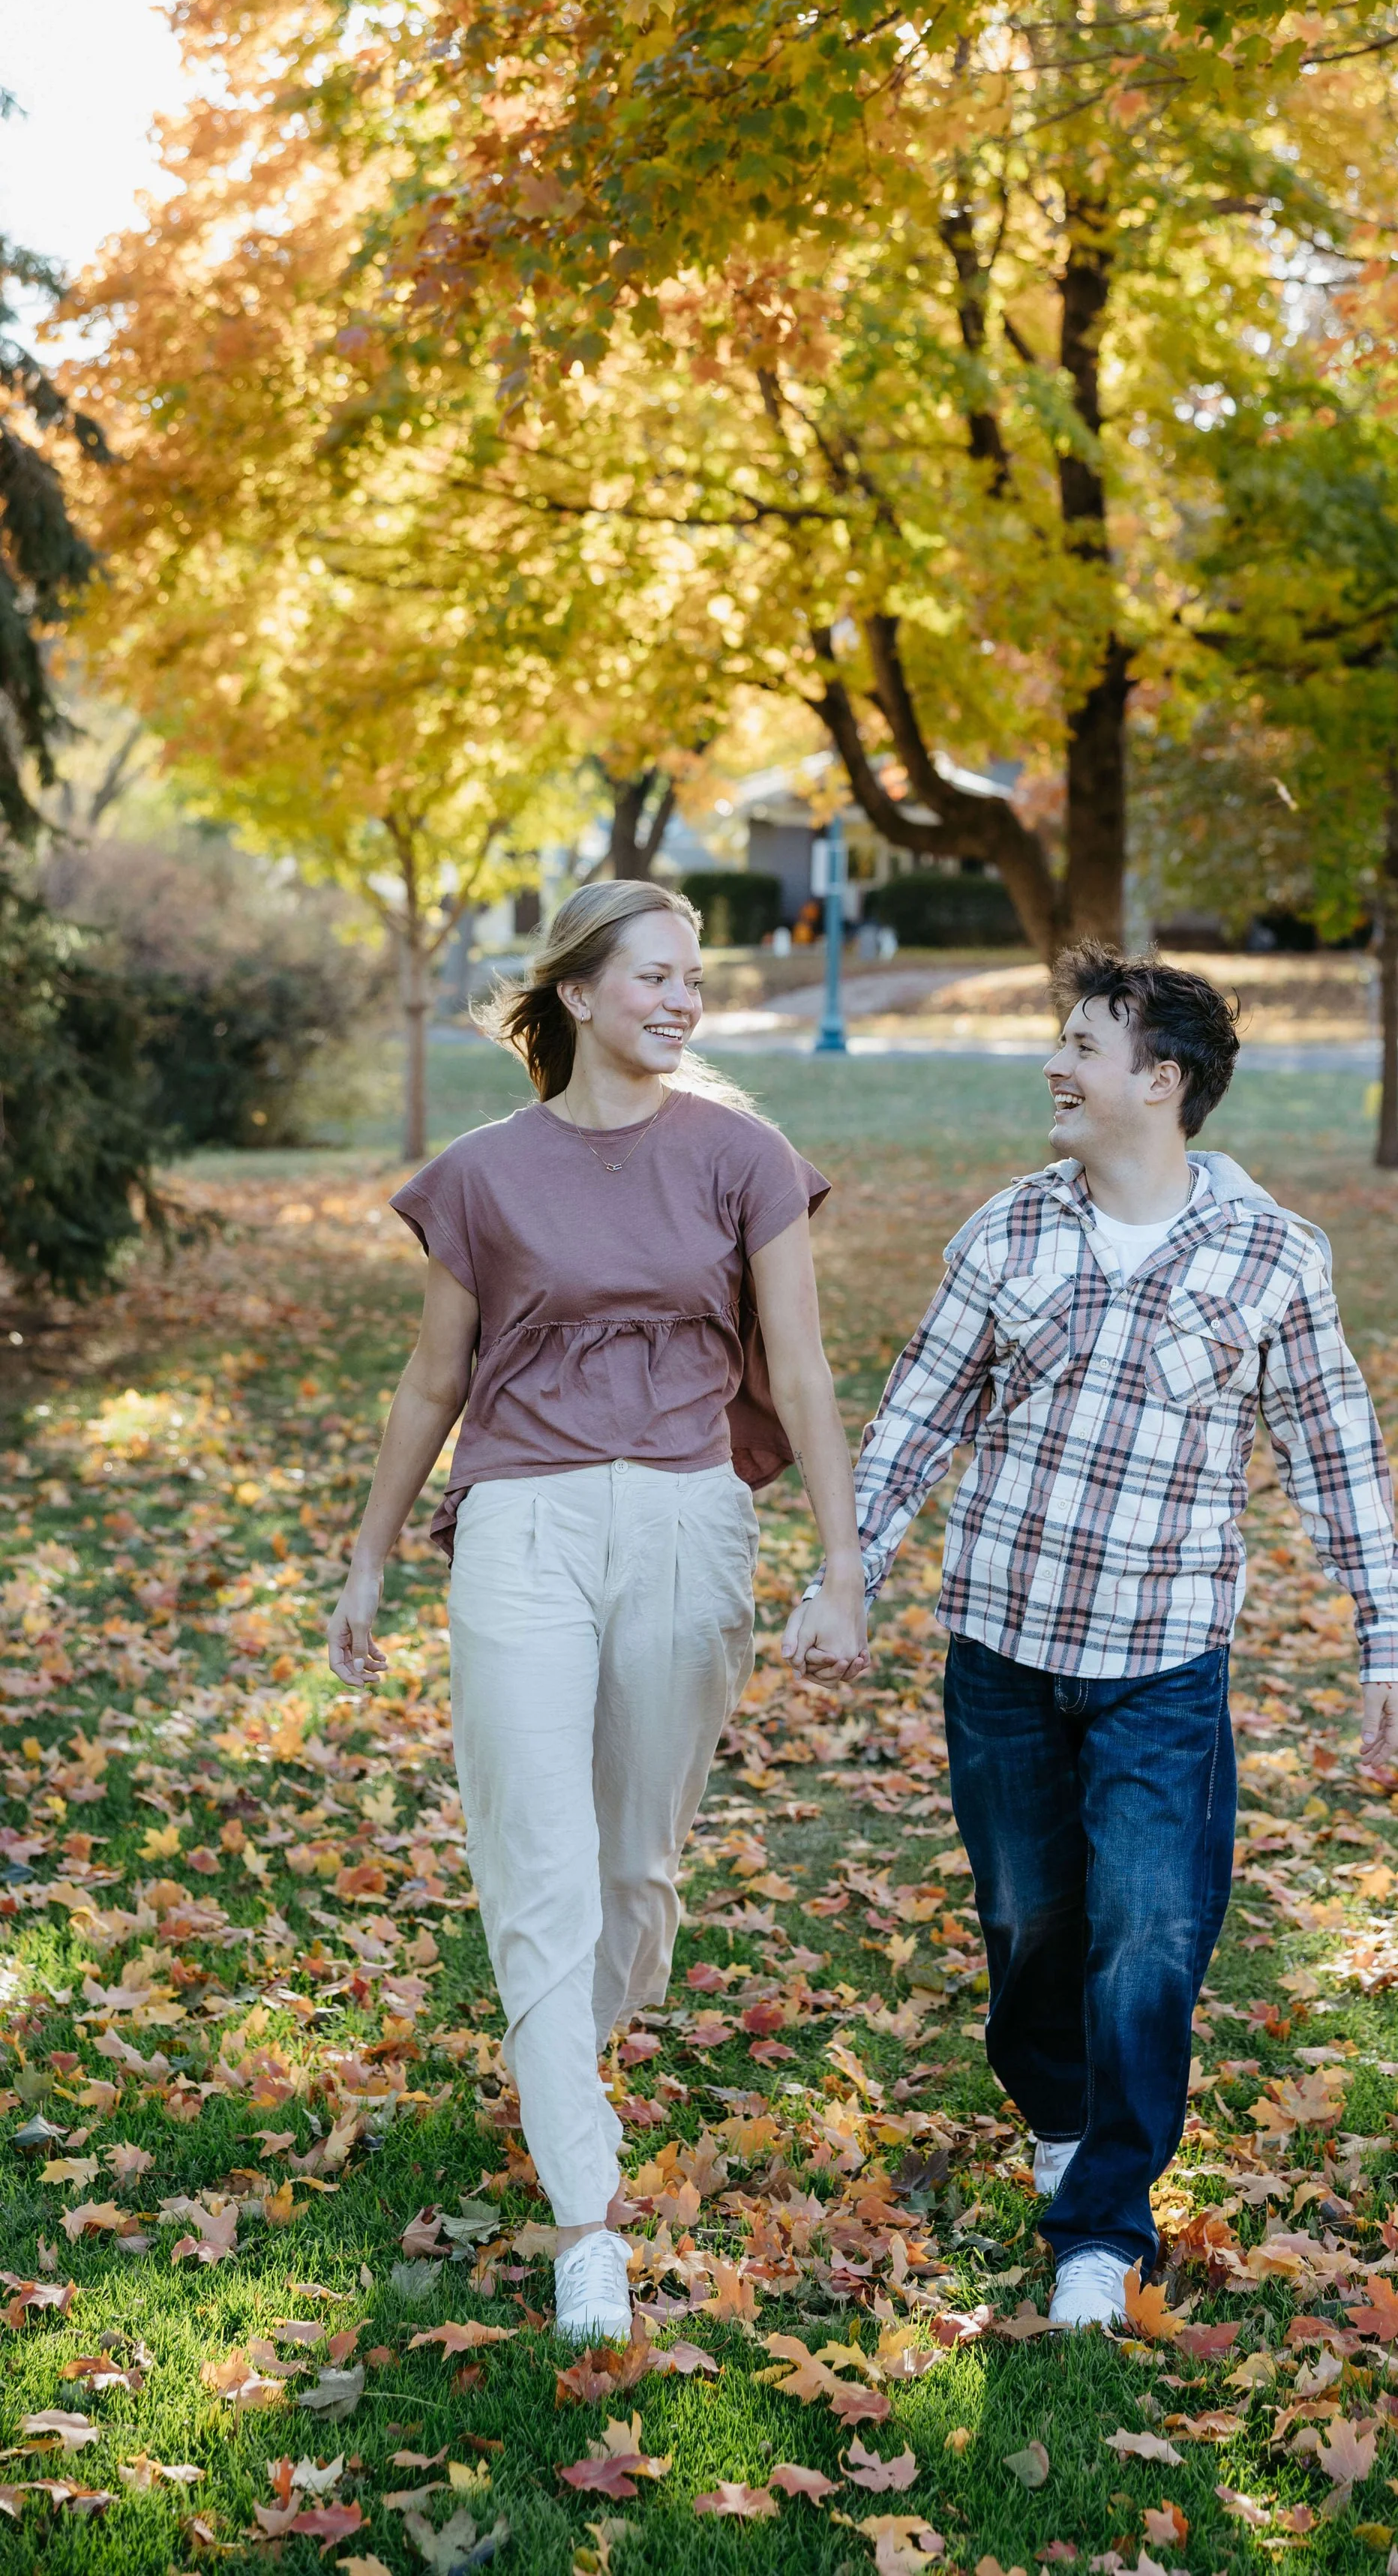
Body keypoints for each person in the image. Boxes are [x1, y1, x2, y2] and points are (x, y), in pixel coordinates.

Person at [788, 943, 1398, 2329]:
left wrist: (1387, 1638)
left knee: (1148, 1929)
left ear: (1163, 1079)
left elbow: (1337, 1455)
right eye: (1060, 1040)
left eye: (1084, 1044)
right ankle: (1059, 2107)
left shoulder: (1270, 1258)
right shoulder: (1008, 1228)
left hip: (1164, 1666)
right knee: (1026, 1918)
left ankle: (1101, 2224)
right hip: (1001, 1646)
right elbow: (918, 1418)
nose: (1056, 1066)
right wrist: (849, 1573)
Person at [326, 882, 868, 2342]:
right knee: (539, 1862)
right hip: (522, 1521)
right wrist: (372, 1555)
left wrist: (840, 1561)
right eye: (652, 977)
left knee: (635, 1872)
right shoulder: (486, 1175)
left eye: (694, 978)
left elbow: (803, 1374)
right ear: (575, 994)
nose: (682, 1000)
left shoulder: (741, 1156)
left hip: (690, 1520)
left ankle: (566, 2042)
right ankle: (587, 2222)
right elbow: (434, 1380)